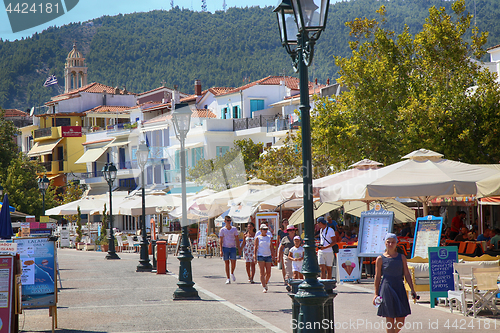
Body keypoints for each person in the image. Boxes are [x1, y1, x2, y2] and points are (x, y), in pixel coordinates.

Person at [373, 233, 417, 333]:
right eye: (388, 242)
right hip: (386, 288)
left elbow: (407, 274)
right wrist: (375, 294)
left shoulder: (401, 257)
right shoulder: (380, 259)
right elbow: (377, 276)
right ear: (385, 243)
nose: (390, 244)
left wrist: (412, 290)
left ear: (396, 243)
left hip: (399, 288)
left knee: (401, 320)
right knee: (390, 318)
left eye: (393, 242)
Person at [219, 216, 240, 284]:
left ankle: (232, 273)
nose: (229, 222)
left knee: (233, 262)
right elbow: (221, 240)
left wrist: (238, 248)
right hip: (225, 247)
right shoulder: (222, 230)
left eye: (230, 220)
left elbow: (237, 238)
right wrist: (221, 250)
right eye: (228, 220)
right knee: (226, 263)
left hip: (233, 247)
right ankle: (228, 278)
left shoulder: (234, 229)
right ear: (225, 221)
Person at [254, 224, 275, 293]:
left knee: (268, 272)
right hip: (261, 255)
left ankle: (265, 283)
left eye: (266, 229)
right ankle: (264, 286)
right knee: (262, 271)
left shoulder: (269, 237)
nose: (265, 230)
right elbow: (255, 247)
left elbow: (271, 247)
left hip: (268, 255)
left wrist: (274, 256)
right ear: (261, 230)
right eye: (264, 229)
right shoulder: (258, 238)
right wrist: (255, 256)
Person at [278, 224, 297, 291]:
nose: (292, 231)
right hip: (287, 256)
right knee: (288, 270)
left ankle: (294, 284)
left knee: (295, 270)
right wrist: (278, 257)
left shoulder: (297, 238)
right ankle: (289, 284)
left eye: (293, 230)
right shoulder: (285, 239)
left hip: (296, 257)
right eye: (290, 230)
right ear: (288, 231)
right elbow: (281, 248)